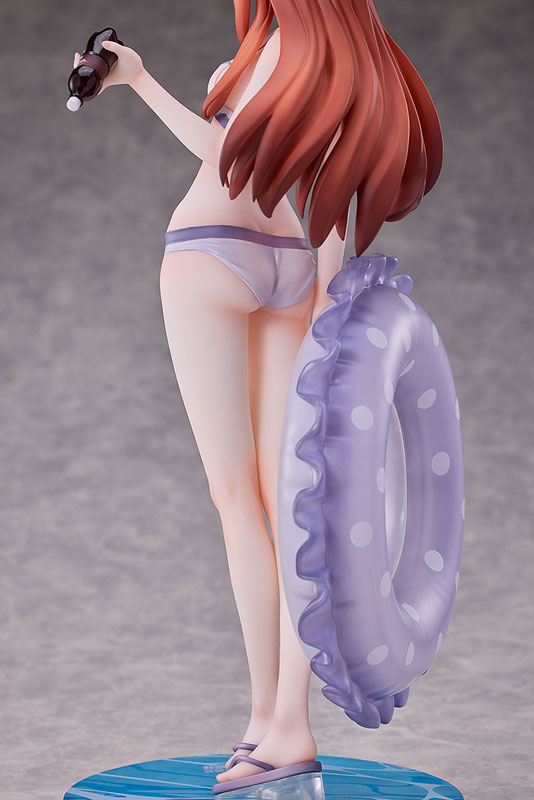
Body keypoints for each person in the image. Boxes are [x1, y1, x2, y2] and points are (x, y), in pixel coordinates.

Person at [72, 0, 442, 790]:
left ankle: (266, 717)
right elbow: (331, 196)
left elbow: (229, 158)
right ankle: (284, 725)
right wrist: (330, 308)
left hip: (210, 255)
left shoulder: (270, 54)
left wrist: (139, 81)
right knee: (291, 504)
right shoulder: (341, 62)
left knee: (238, 499)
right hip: (290, 267)